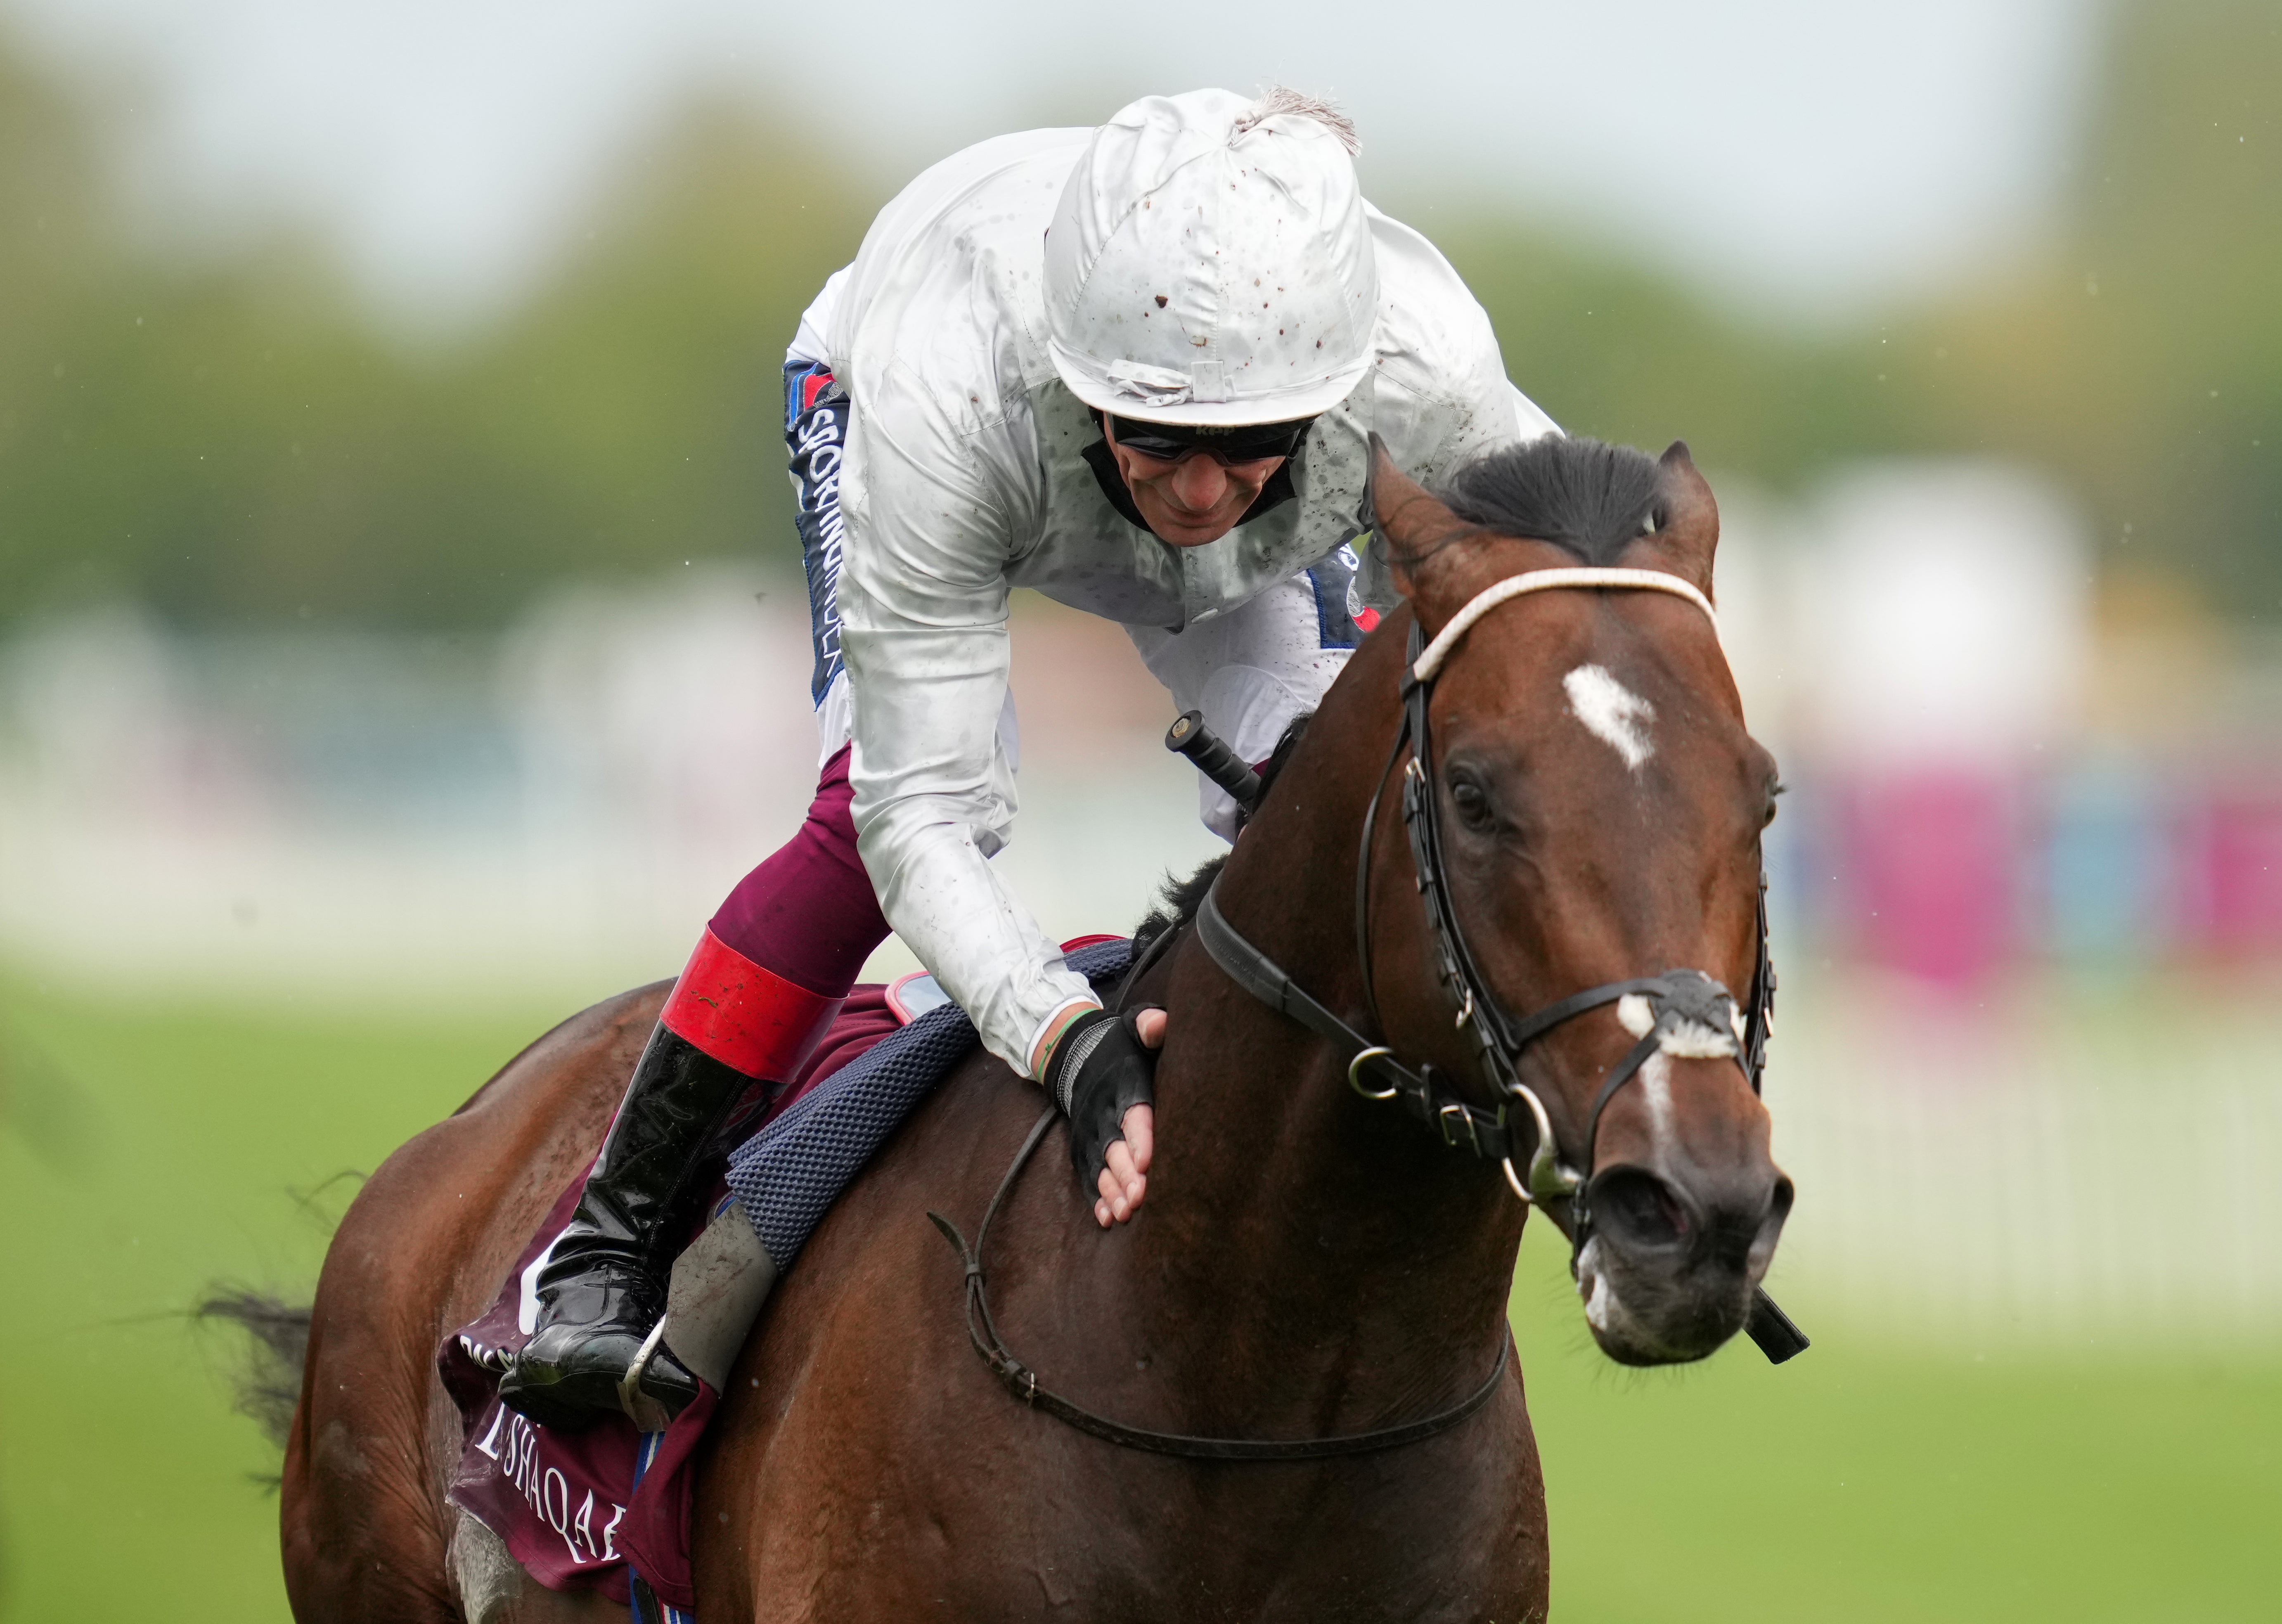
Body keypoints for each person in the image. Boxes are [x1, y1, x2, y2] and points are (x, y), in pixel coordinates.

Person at [499, 87, 1557, 1430]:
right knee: (857, 824)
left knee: (1327, 796)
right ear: (1086, 377)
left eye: (1248, 447)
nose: (1196, 493)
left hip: (1191, 459)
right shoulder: (946, 393)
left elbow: (1574, 610)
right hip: (915, 407)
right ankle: (603, 1240)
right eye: (1159, 432)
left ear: (1337, 386)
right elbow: (919, 821)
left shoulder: (1429, 366)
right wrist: (1063, 1039)